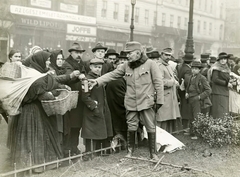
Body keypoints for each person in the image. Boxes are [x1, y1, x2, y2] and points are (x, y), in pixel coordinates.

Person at [88, 41, 164, 160]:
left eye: (130, 53)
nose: (127, 56)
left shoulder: (150, 64)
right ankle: (130, 152)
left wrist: (159, 101)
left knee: (150, 127)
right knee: (131, 126)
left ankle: (153, 153)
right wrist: (97, 81)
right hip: (131, 102)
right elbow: (112, 75)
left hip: (146, 102)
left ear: (138, 53)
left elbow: (159, 83)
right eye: (127, 53)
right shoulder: (126, 66)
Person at [10, 51, 65, 173]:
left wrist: (57, 90)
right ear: (40, 61)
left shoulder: (38, 73)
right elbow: (41, 94)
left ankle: (38, 164)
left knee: (39, 136)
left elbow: (51, 86)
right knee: (34, 137)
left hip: (38, 109)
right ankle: (34, 165)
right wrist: (52, 94)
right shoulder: (33, 76)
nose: (49, 62)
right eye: (47, 60)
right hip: (31, 111)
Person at [81, 58, 113, 161]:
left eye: (100, 67)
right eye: (95, 67)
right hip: (92, 111)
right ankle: (89, 154)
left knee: (98, 132)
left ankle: (96, 153)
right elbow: (85, 97)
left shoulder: (99, 79)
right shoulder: (87, 80)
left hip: (100, 109)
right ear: (90, 67)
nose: (98, 69)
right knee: (91, 133)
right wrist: (93, 106)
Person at [61, 42, 85, 156]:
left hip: (79, 99)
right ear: (71, 52)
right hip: (70, 99)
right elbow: (68, 77)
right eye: (76, 52)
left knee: (76, 125)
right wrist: (77, 76)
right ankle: (68, 149)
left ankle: (73, 147)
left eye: (80, 52)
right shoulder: (67, 64)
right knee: (71, 126)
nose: (79, 54)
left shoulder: (80, 63)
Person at [156, 48, 181, 133]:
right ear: (161, 55)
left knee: (166, 120)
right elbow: (160, 82)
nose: (168, 57)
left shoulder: (167, 65)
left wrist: (175, 82)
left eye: (169, 55)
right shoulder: (159, 66)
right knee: (161, 120)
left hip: (169, 98)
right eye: (166, 55)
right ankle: (157, 142)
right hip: (163, 97)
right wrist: (173, 82)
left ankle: (165, 141)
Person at [185, 61, 212, 139]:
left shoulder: (202, 78)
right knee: (191, 115)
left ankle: (197, 134)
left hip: (197, 99)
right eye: (192, 68)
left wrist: (200, 97)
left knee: (197, 116)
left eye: (196, 69)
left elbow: (208, 90)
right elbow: (188, 87)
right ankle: (191, 130)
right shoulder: (191, 77)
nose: (194, 70)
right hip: (190, 99)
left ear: (199, 70)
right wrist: (186, 93)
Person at [105, 51, 128, 142]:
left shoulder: (123, 78)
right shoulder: (116, 80)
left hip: (119, 105)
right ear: (115, 66)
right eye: (120, 64)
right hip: (116, 106)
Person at [209, 52, 232, 118]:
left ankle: (222, 126)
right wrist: (226, 83)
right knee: (219, 111)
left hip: (224, 92)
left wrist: (231, 81)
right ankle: (219, 126)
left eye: (224, 59)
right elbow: (215, 79)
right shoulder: (216, 68)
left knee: (224, 111)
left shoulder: (226, 68)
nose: (223, 60)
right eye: (221, 59)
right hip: (218, 92)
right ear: (218, 60)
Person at [178, 55, 193, 130]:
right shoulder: (188, 69)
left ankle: (184, 125)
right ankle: (185, 126)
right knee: (186, 108)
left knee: (184, 107)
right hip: (185, 91)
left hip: (181, 90)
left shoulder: (182, 67)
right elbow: (187, 81)